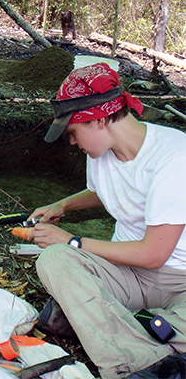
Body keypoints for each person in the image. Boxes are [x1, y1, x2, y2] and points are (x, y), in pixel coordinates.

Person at [28, 63, 186, 379]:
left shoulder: (174, 156)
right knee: (55, 260)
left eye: (72, 132)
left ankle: (112, 326)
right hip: (125, 275)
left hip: (180, 282)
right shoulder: (100, 155)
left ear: (99, 119)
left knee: (64, 249)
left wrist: (72, 240)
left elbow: (153, 255)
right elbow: (106, 191)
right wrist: (63, 204)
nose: (72, 142)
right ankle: (144, 345)